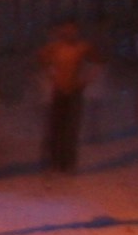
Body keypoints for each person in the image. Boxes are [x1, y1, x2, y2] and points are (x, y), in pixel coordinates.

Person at [36, 20, 94, 174]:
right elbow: (40, 60)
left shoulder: (82, 47)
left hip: (74, 92)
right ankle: (55, 163)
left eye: (73, 30)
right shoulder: (54, 48)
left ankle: (68, 165)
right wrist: (51, 76)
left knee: (72, 129)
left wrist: (85, 81)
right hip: (59, 91)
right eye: (67, 30)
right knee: (56, 129)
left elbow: (98, 62)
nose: (70, 33)